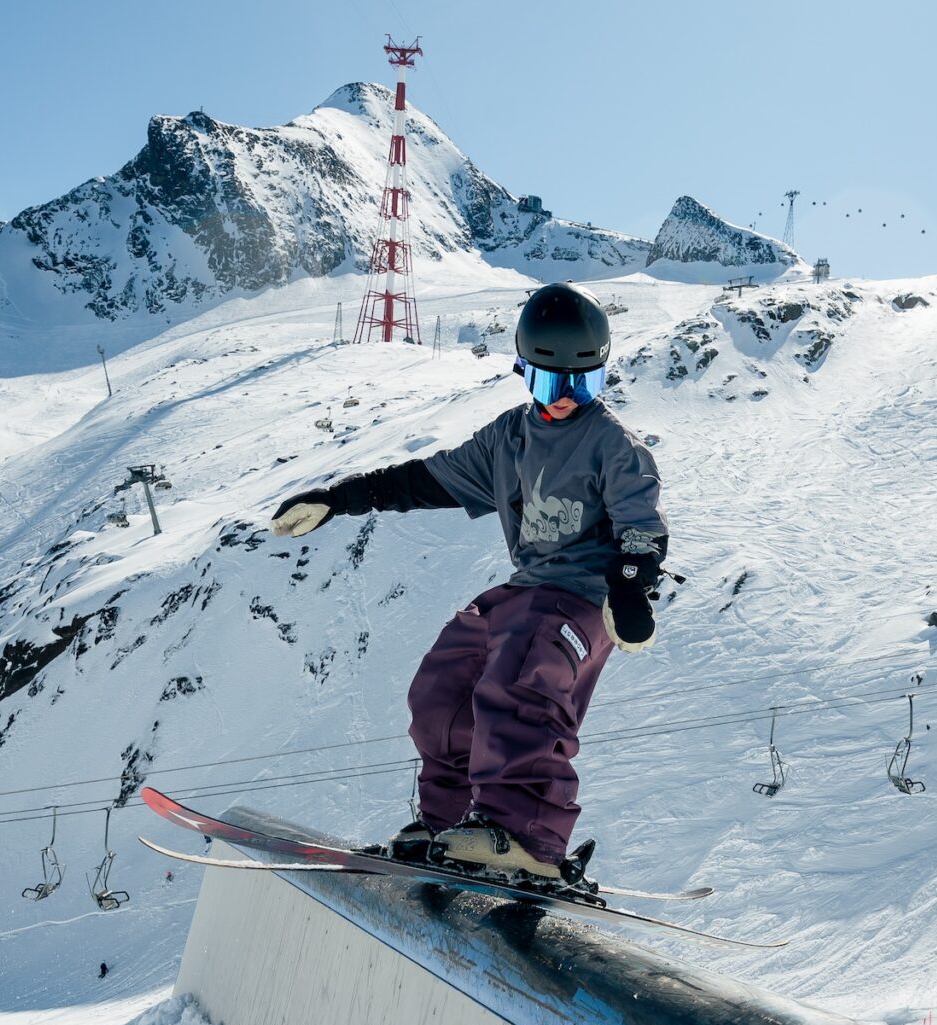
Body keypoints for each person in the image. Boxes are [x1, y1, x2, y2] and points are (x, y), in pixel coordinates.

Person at [270, 284, 665, 885]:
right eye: (549, 385)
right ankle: (450, 826)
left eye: (580, 386)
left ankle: (525, 834)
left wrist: (634, 590)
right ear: (523, 371)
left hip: (585, 601)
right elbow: (425, 481)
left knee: (521, 688)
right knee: (442, 689)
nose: (563, 401)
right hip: (527, 592)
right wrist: (338, 499)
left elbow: (642, 525)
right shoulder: (508, 439)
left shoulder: (613, 444)